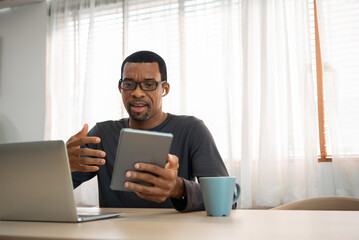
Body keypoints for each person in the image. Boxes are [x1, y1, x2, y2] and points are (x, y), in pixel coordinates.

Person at [67, 50, 229, 212]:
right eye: (129, 84)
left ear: (164, 89)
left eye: (149, 85)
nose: (137, 92)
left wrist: (178, 188)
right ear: (120, 88)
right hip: (116, 234)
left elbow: (227, 198)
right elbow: (49, 194)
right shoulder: (102, 134)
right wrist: (62, 165)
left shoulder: (192, 129)